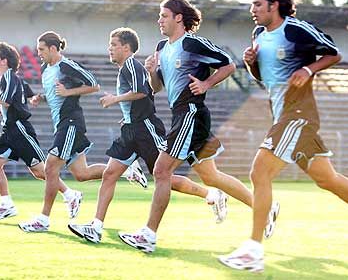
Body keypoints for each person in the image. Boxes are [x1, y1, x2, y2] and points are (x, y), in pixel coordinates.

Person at [218, 0, 348, 273]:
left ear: (274, 5)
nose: (252, 9)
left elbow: (334, 54)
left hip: (298, 114)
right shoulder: (258, 35)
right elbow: (264, 80)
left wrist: (309, 70)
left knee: (259, 171)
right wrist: (252, 65)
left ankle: (253, 250)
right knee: (327, 178)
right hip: (281, 114)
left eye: (257, 4)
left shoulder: (295, 30)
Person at [117, 0, 280, 254]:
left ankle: (148, 235)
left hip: (191, 113)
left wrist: (206, 84)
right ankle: (265, 206)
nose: (159, 20)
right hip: (180, 114)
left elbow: (228, 64)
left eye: (164, 15)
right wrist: (151, 71)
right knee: (210, 176)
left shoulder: (192, 43)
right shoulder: (161, 47)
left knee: (161, 171)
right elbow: (157, 88)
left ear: (178, 18)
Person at [68, 27, 232, 243]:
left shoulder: (132, 65)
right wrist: (127, 116)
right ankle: (96, 227)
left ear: (126, 48)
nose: (110, 49)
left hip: (146, 130)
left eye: (113, 45)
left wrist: (115, 99)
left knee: (164, 176)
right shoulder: (126, 68)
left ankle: (211, 195)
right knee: (109, 174)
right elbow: (146, 93)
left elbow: (144, 92)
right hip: (131, 130)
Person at [18, 31, 146, 232]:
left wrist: (68, 92)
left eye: (41, 49)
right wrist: (40, 97)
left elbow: (94, 85)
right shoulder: (46, 69)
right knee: (81, 173)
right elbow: (55, 92)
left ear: (53, 48)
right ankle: (127, 170)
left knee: (50, 167)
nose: (38, 53)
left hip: (70, 123)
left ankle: (43, 219)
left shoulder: (66, 65)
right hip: (61, 124)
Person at [0, 42, 79, 220]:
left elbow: (8, 100)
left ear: (4, 61)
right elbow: (23, 95)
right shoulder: (9, 78)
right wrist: (8, 107)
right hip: (9, 130)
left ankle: (70, 195)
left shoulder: (8, 76)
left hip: (20, 130)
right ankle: (6, 205)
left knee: (41, 171)